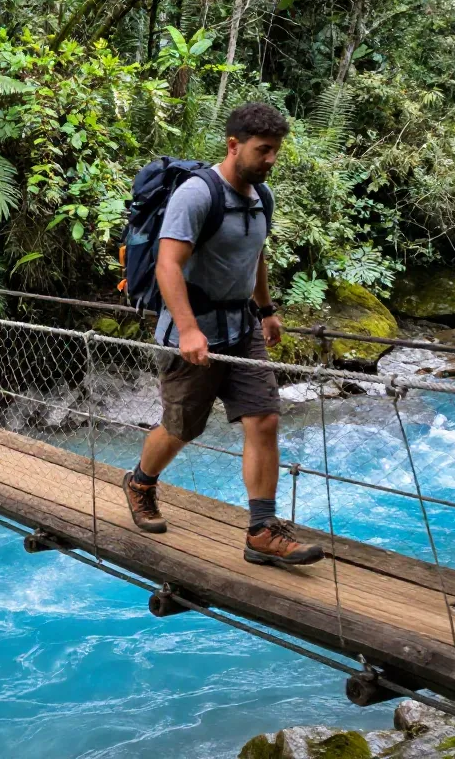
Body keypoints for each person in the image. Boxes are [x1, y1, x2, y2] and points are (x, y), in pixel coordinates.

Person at [122, 102, 323, 568]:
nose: (271, 159)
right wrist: (189, 330)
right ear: (234, 145)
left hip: (242, 329)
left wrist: (266, 310)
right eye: (263, 150)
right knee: (181, 427)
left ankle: (262, 531)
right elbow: (167, 263)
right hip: (191, 334)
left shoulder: (261, 198)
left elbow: (255, 255)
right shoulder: (197, 194)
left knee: (264, 419)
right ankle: (140, 482)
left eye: (276, 150)